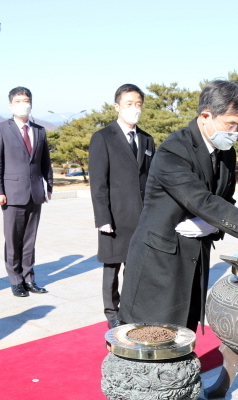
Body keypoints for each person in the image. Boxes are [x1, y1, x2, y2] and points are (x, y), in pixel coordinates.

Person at [118, 80, 238, 332]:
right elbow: (201, 200)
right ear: (205, 116)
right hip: (158, 261)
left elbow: (226, 199)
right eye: (231, 124)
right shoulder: (174, 150)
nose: (236, 132)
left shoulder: (226, 151)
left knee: (185, 330)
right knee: (152, 335)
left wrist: (211, 226)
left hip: (194, 256)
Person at [89, 84, 155, 329]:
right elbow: (98, 182)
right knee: (112, 265)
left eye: (138, 104)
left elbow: (151, 178)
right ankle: (111, 312)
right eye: (129, 104)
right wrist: (102, 217)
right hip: (115, 216)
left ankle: (131, 307)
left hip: (141, 215)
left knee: (136, 266)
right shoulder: (103, 138)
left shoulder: (146, 139)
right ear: (117, 106)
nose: (134, 108)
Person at [0, 86, 53, 297]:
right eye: (18, 101)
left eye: (25, 100)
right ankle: (16, 280)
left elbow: (45, 163)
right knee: (13, 239)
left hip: (35, 192)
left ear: (31, 103)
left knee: (29, 239)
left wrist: (48, 187)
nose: (22, 104)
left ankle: (29, 278)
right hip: (12, 193)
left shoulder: (39, 130)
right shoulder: (1, 129)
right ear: (10, 105)